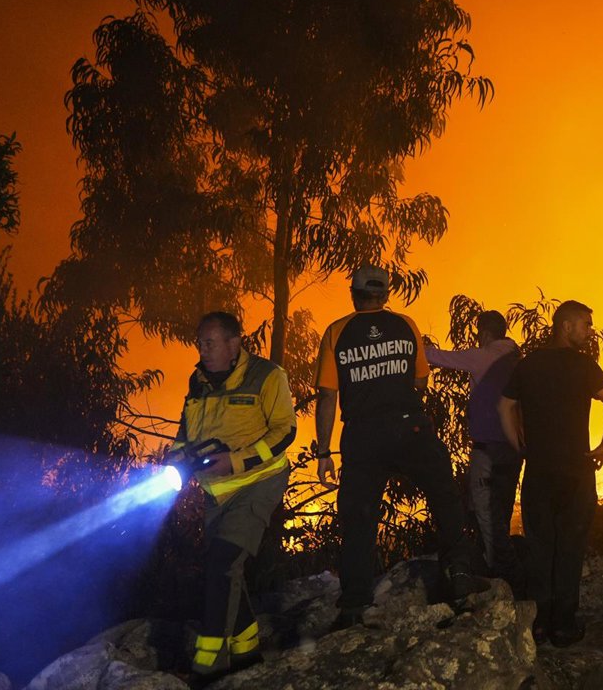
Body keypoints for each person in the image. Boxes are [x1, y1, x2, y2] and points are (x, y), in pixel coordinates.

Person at [314, 266, 484, 628]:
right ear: (386, 295)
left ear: (353, 294)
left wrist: (324, 452)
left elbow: (327, 396)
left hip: (362, 434)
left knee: (358, 517)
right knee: (443, 494)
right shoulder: (405, 325)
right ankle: (459, 575)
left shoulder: (336, 332)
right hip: (410, 427)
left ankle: (355, 603)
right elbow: (420, 381)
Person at [171, 311, 296, 677]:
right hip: (217, 492)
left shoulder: (267, 375)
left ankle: (209, 666)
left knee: (222, 564)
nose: (203, 350)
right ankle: (247, 652)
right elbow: (184, 433)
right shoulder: (198, 381)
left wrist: (236, 461)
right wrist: (175, 459)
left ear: (234, 343)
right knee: (225, 569)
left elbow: (285, 431)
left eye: (210, 343)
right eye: (200, 344)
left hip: (258, 483)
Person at [498, 299, 603, 647]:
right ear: (566, 326)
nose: (589, 331)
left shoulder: (528, 364)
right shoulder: (584, 366)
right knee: (571, 547)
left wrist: (518, 445)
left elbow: (504, 406)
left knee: (540, 547)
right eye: (585, 324)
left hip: (538, 470)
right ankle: (564, 625)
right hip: (576, 473)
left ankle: (538, 625)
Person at [425, 310, 522, 584]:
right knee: (502, 507)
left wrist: (416, 345)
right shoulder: (517, 358)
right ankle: (504, 566)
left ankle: (500, 573)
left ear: (485, 334)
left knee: (486, 510)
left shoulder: (484, 356)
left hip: (488, 448)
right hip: (514, 447)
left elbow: (437, 356)